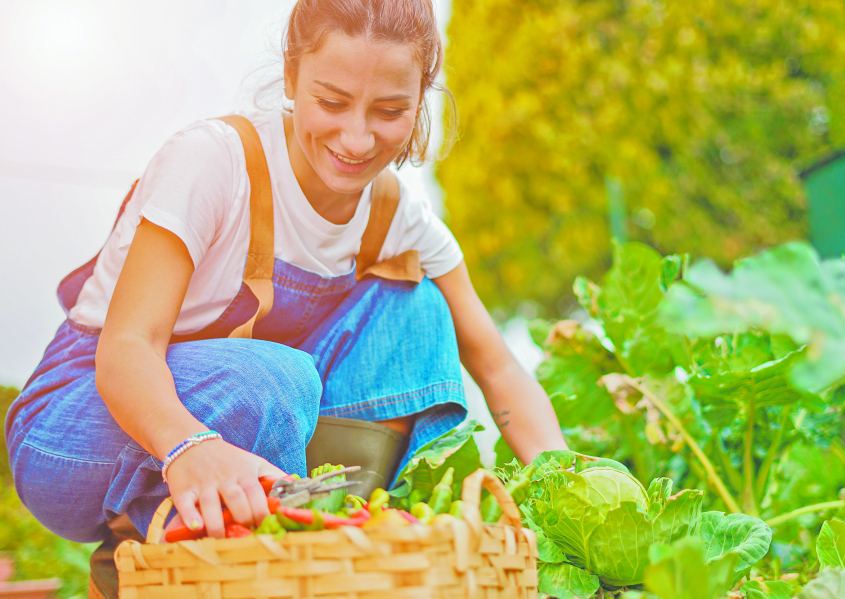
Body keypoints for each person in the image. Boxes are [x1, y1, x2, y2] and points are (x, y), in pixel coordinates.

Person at [4, 0, 567, 545]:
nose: (357, 138)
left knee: (417, 309)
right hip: (75, 424)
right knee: (274, 379)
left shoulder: (396, 215)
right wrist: (188, 446)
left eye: (390, 111)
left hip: (251, 416)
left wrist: (567, 486)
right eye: (332, 101)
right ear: (292, 77)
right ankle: (167, 524)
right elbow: (127, 346)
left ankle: (345, 533)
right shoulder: (215, 162)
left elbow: (496, 367)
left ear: (421, 101)